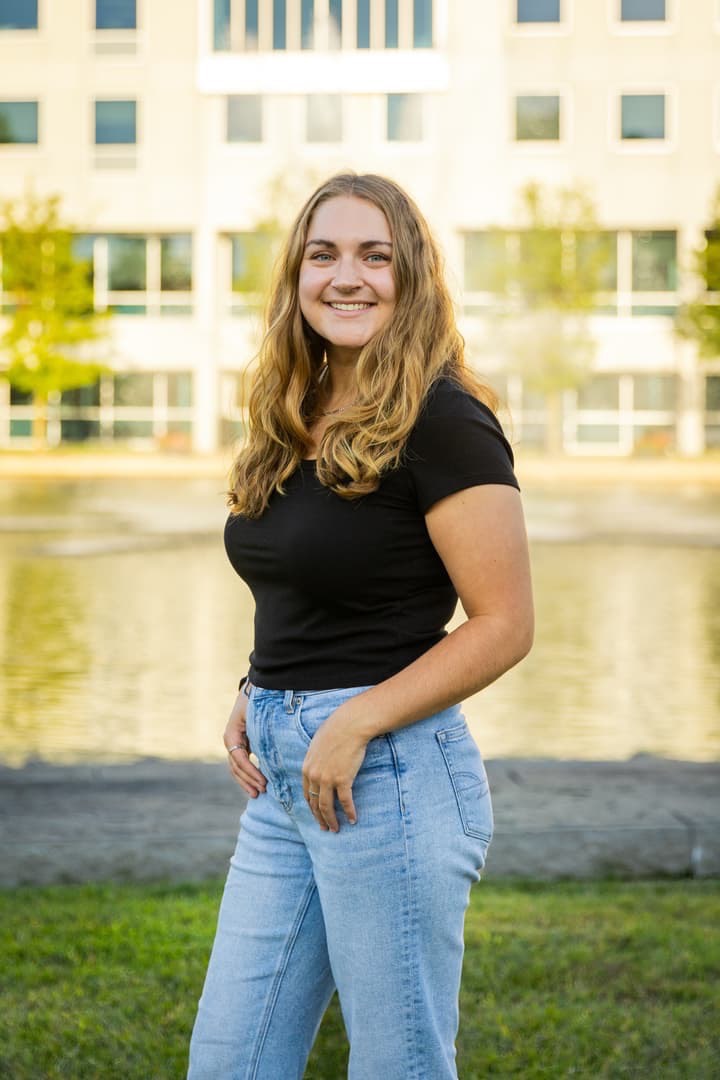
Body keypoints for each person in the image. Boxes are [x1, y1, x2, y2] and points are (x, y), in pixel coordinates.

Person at [188, 172, 534, 1080]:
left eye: (376, 256)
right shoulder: (291, 416)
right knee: (231, 1061)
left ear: (411, 277)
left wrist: (352, 721)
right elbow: (312, 586)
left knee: (399, 1067)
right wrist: (254, 688)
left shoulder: (447, 419)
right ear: (296, 278)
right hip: (285, 777)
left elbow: (503, 625)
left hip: (391, 773)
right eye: (325, 254)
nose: (349, 277)